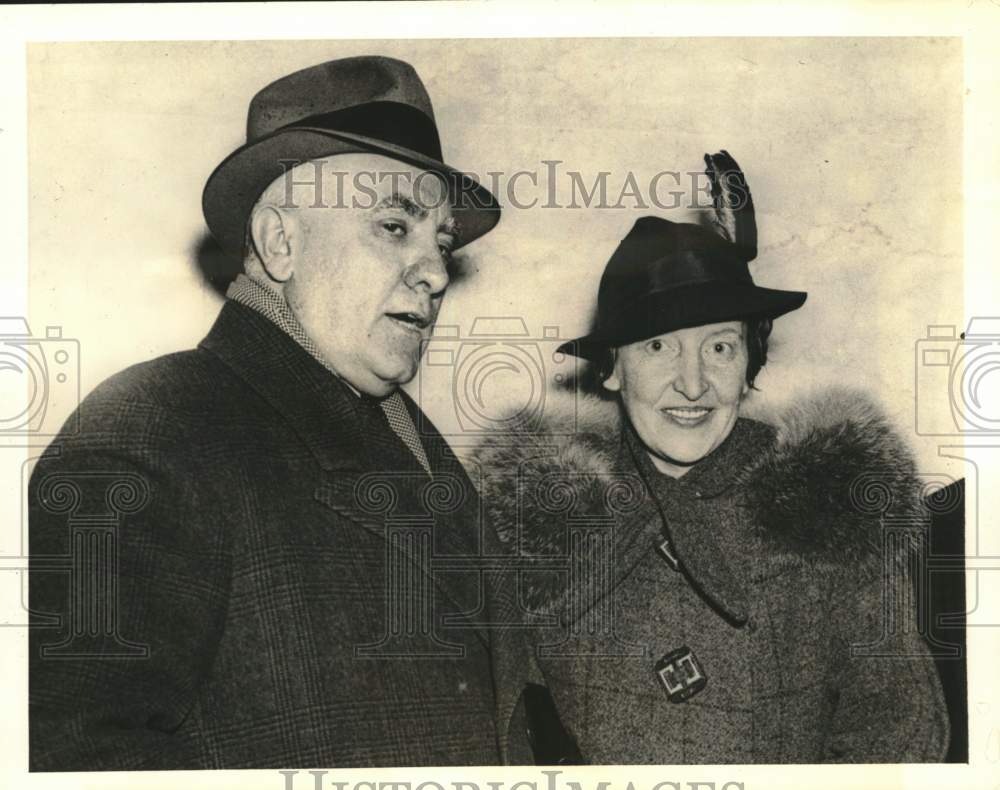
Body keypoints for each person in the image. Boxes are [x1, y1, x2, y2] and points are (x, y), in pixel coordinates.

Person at [28, 55, 534, 770]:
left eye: (441, 242)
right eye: (395, 226)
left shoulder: (403, 436)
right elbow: (70, 755)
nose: (436, 271)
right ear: (280, 242)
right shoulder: (152, 430)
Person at [473, 152, 950, 763]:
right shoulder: (544, 534)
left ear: (748, 363)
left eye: (720, 346)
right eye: (657, 347)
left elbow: (900, 736)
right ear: (613, 368)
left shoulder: (830, 515)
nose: (693, 385)